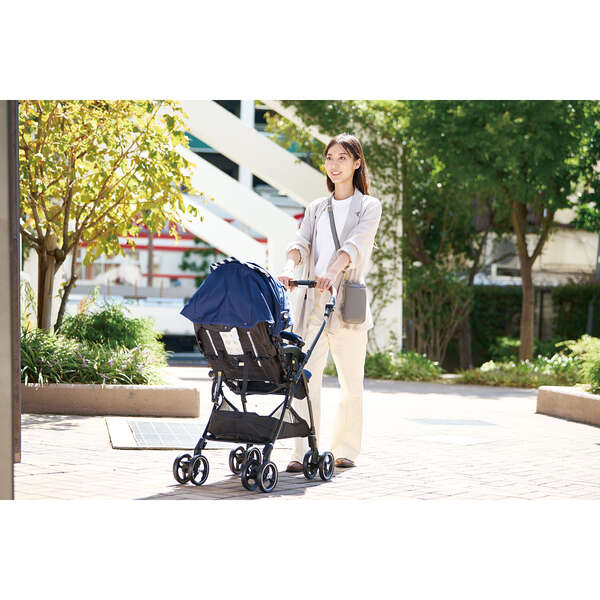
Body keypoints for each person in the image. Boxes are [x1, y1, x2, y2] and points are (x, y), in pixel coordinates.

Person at [277, 133, 382, 472]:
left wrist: (332, 272)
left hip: (347, 303)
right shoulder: (316, 208)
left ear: (357, 163)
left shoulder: (369, 206)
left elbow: (355, 246)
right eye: (329, 157)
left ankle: (345, 449)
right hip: (312, 302)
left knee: (351, 383)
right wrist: (289, 267)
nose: (334, 165)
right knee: (305, 379)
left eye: (342, 158)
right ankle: (301, 450)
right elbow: (301, 243)